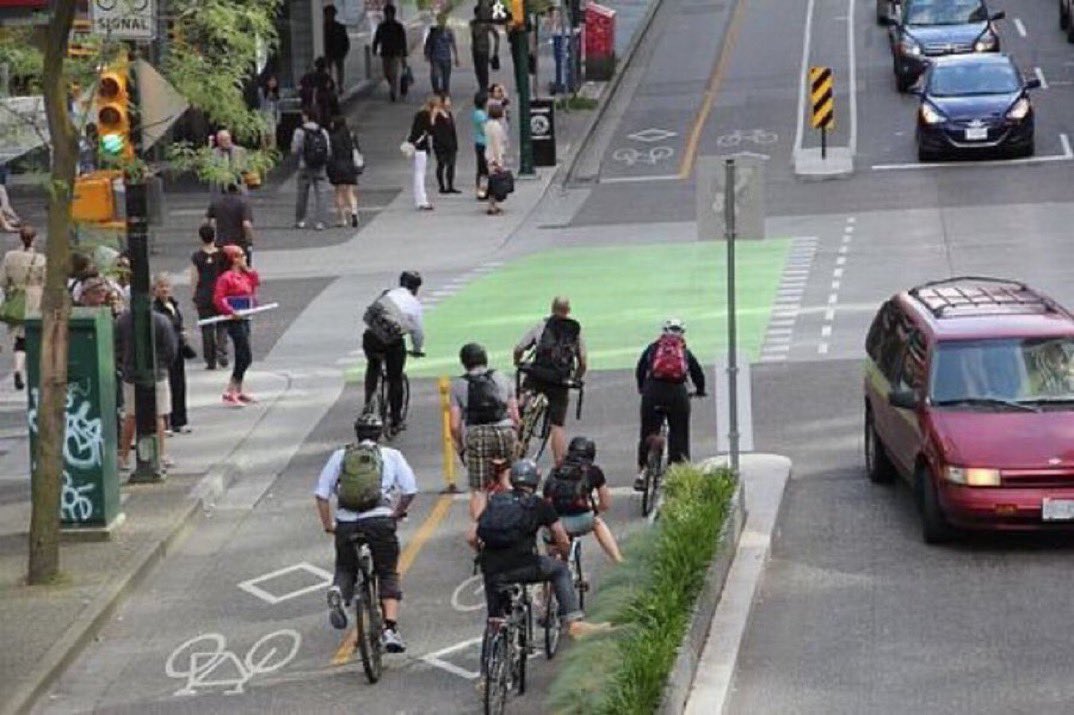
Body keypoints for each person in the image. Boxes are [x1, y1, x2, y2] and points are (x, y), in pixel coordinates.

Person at [466, 459, 611, 650]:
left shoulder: (496, 501)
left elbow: (471, 536)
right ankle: (574, 622)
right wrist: (564, 555)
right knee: (559, 570)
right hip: (524, 566)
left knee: (495, 621)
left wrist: (482, 553)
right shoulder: (539, 505)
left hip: (492, 569)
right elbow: (561, 538)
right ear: (535, 481)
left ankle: (487, 675)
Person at [317, 413, 417, 653]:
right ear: (380, 434)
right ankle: (390, 630)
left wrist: (329, 524)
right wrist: (397, 513)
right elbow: (410, 490)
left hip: (347, 521)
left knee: (345, 568)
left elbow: (321, 494)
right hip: (380, 520)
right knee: (387, 571)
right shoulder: (391, 455)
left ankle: (339, 592)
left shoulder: (340, 456)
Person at [513, 296, 587, 465]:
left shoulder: (542, 325)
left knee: (521, 406)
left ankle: (515, 448)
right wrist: (575, 378)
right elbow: (582, 361)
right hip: (560, 381)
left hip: (537, 375)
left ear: (552, 308)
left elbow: (520, 348)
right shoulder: (575, 330)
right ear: (568, 310)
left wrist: (518, 362)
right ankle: (559, 464)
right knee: (557, 425)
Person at [633, 318, 706, 489]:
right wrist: (700, 390)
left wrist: (643, 388)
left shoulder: (653, 348)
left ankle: (643, 471)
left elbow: (640, 369)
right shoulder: (684, 351)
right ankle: (677, 473)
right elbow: (697, 373)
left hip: (653, 391)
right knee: (679, 432)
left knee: (648, 432)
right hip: (677, 393)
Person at [450, 342, 519, 521]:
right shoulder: (501, 377)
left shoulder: (459, 385)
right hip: (505, 431)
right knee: (506, 478)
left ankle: (480, 533)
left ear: (464, 363)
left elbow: (455, 425)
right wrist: (516, 437)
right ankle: (516, 520)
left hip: (478, 435)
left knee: (479, 489)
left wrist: (460, 446)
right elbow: (515, 415)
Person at [115, 290, 178, 471]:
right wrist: (162, 365)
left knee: (131, 415)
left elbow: (116, 345)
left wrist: (123, 363)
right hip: (157, 373)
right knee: (159, 415)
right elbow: (170, 349)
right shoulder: (161, 321)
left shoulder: (122, 321)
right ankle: (160, 455)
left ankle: (124, 456)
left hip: (130, 374)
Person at [361, 271, 425, 433]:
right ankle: (396, 420)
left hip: (371, 337)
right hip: (392, 342)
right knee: (395, 378)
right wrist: (417, 350)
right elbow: (417, 333)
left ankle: (369, 401)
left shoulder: (387, 294)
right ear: (416, 288)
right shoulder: (414, 303)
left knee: (373, 364)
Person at [543, 436, 623, 563]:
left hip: (553, 524)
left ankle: (552, 567)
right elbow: (606, 504)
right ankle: (618, 560)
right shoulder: (593, 471)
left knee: (552, 553)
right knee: (597, 523)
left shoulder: (555, 470)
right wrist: (593, 508)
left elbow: (546, 499)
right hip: (579, 520)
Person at [213, 244, 260, 407]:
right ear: (233, 259)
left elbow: (254, 284)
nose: (244, 257)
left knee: (244, 355)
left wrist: (248, 270)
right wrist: (230, 311)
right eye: (240, 255)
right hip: (234, 319)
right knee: (244, 354)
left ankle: (238, 390)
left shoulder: (243, 275)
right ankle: (231, 390)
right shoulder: (226, 278)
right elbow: (219, 299)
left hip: (245, 317)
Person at [2, 225, 45, 390]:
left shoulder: (9, 257)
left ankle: (18, 368)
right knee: (37, 335)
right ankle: (37, 371)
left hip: (18, 299)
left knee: (20, 339)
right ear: (34, 239)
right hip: (36, 299)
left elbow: (3, 281)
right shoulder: (40, 259)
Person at [152, 274, 194, 435]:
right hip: (163, 352)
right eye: (161, 286)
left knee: (178, 386)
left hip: (177, 350)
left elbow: (178, 324)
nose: (165, 290)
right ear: (154, 290)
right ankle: (166, 422)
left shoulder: (173, 306)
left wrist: (182, 333)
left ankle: (179, 420)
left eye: (167, 286)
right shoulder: (155, 309)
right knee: (165, 389)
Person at [189, 225, 228, 370]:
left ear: (200, 237)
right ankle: (222, 351)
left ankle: (210, 359)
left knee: (207, 327)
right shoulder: (222, 255)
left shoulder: (197, 257)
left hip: (204, 295)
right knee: (222, 324)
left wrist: (193, 296)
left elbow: (194, 278)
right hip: (221, 293)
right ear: (214, 236)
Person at [292, 107, 332, 230]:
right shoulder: (323, 131)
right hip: (320, 166)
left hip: (304, 166)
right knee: (322, 194)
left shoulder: (299, 131)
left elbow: (294, 149)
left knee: (302, 194)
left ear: (306, 116)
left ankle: (300, 220)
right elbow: (329, 151)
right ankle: (321, 222)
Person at [205, 182, 255, 263]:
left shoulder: (216, 202)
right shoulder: (243, 202)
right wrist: (250, 240)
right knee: (242, 271)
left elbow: (207, 223)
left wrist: (210, 239)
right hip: (239, 244)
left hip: (221, 244)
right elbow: (246, 224)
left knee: (222, 271)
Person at [326, 115, 361, 228]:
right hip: (350, 166)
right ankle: (354, 213)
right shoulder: (351, 135)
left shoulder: (333, 137)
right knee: (350, 192)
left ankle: (342, 218)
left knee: (339, 192)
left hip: (337, 166)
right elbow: (357, 149)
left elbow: (330, 154)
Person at [372, 3, 408, 102]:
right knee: (386, 73)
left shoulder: (398, 27)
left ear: (393, 14)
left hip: (396, 53)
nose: (388, 15)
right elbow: (377, 38)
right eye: (387, 13)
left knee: (393, 73)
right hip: (385, 53)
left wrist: (404, 54)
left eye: (390, 13)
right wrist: (374, 48)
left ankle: (393, 90)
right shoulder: (382, 26)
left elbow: (403, 41)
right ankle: (392, 85)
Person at [407, 97, 436, 211]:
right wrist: (433, 118)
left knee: (418, 173)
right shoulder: (425, 115)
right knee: (420, 174)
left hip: (417, 146)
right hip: (421, 147)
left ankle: (420, 199)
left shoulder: (420, 114)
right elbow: (431, 130)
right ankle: (422, 200)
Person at [424, 12, 459, 96]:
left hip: (446, 58)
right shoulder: (433, 31)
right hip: (435, 58)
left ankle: (445, 93)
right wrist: (427, 54)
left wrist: (456, 57)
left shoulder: (449, 31)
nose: (442, 22)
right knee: (435, 76)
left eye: (443, 20)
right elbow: (428, 43)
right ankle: (436, 91)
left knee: (446, 79)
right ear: (437, 21)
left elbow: (453, 44)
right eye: (440, 20)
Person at [432, 95, 460, 194]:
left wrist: (455, 144)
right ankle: (441, 186)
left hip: (451, 144)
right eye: (447, 101)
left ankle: (450, 185)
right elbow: (434, 130)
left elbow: (453, 130)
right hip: (441, 145)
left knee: (451, 165)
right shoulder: (437, 115)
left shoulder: (449, 114)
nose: (449, 103)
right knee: (441, 164)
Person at [483, 102, 508, 215]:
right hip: (494, 156)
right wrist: (498, 161)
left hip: (489, 155)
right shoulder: (496, 127)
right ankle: (492, 206)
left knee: (493, 181)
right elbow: (497, 144)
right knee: (495, 182)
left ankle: (492, 204)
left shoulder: (488, 124)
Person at [209, 130, 248, 197]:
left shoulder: (240, 151)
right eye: (222, 140)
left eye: (227, 139)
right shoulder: (213, 153)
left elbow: (245, 168)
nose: (226, 141)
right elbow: (210, 170)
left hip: (238, 188)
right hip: (220, 189)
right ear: (218, 141)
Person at [299, 57, 340, 123]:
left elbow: (301, 88)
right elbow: (331, 88)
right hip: (323, 105)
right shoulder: (326, 77)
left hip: (309, 104)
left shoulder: (307, 76)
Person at [469, 6, 500, 92]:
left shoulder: (487, 24)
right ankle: (482, 86)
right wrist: (483, 27)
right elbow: (476, 34)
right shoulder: (473, 23)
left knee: (484, 69)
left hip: (485, 49)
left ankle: (484, 87)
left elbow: (496, 35)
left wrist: (495, 51)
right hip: (476, 49)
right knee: (478, 69)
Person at [323, 5, 351, 92]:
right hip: (329, 52)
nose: (329, 16)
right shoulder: (323, 28)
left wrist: (344, 51)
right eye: (328, 14)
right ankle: (331, 85)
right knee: (329, 69)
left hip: (338, 52)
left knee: (338, 69)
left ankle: (340, 86)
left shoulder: (339, 27)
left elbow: (345, 41)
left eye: (331, 14)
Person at [472, 92, 490, 200]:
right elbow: (484, 130)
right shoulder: (480, 114)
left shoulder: (479, 113)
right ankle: (482, 191)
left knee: (482, 168)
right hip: (483, 143)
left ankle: (483, 190)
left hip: (480, 142)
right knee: (483, 168)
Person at [257, 75, 281, 150]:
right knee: (263, 136)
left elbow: (278, 107)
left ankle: (272, 153)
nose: (273, 83)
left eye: (274, 81)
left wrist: (278, 118)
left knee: (272, 135)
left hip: (272, 116)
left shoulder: (277, 93)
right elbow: (261, 104)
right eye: (271, 81)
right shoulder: (261, 91)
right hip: (263, 115)